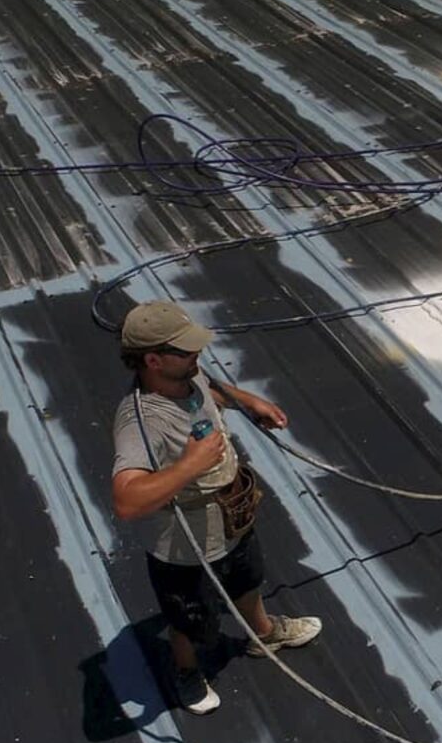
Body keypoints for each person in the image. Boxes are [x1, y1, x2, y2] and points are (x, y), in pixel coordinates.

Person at [110, 299, 323, 714]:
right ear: (153, 359)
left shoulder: (186, 376)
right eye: (187, 350)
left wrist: (247, 402)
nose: (198, 355)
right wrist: (190, 465)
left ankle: (263, 634)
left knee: (246, 578)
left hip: (230, 517)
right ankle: (187, 670)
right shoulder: (140, 419)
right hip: (183, 546)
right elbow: (125, 500)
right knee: (189, 618)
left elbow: (210, 387)